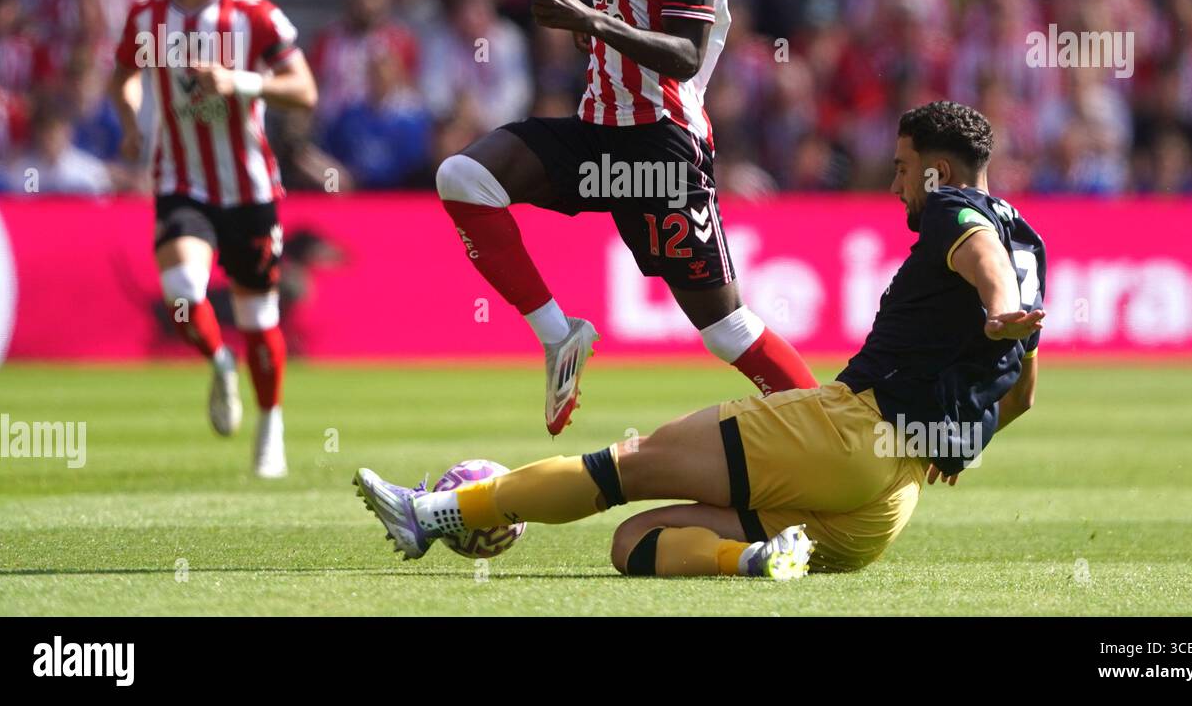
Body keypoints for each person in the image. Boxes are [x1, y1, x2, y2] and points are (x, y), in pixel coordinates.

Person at [356, 102, 1047, 577]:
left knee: (624, 468)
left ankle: (430, 513)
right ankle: (746, 560)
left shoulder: (961, 212)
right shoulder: (1033, 245)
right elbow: (1022, 392)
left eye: (903, 167)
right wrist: (958, 441)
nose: (897, 185)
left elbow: (977, 250)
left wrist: (998, 305)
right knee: (633, 544)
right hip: (886, 505)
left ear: (942, 171)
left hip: (850, 430)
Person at [434, 0, 818, 437]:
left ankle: (832, 430)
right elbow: (628, 11)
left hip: (660, 154)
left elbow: (684, 55)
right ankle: (561, 337)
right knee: (463, 178)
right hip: (597, 133)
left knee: (724, 330)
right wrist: (594, 27)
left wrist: (591, 20)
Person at [108, 0, 318, 478]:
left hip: (249, 190)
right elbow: (122, 77)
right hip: (181, 182)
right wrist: (129, 124)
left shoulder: (254, 16)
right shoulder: (146, 17)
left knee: (259, 318)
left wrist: (239, 81)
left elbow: (304, 90)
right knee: (181, 290)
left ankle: (270, 424)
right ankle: (219, 362)